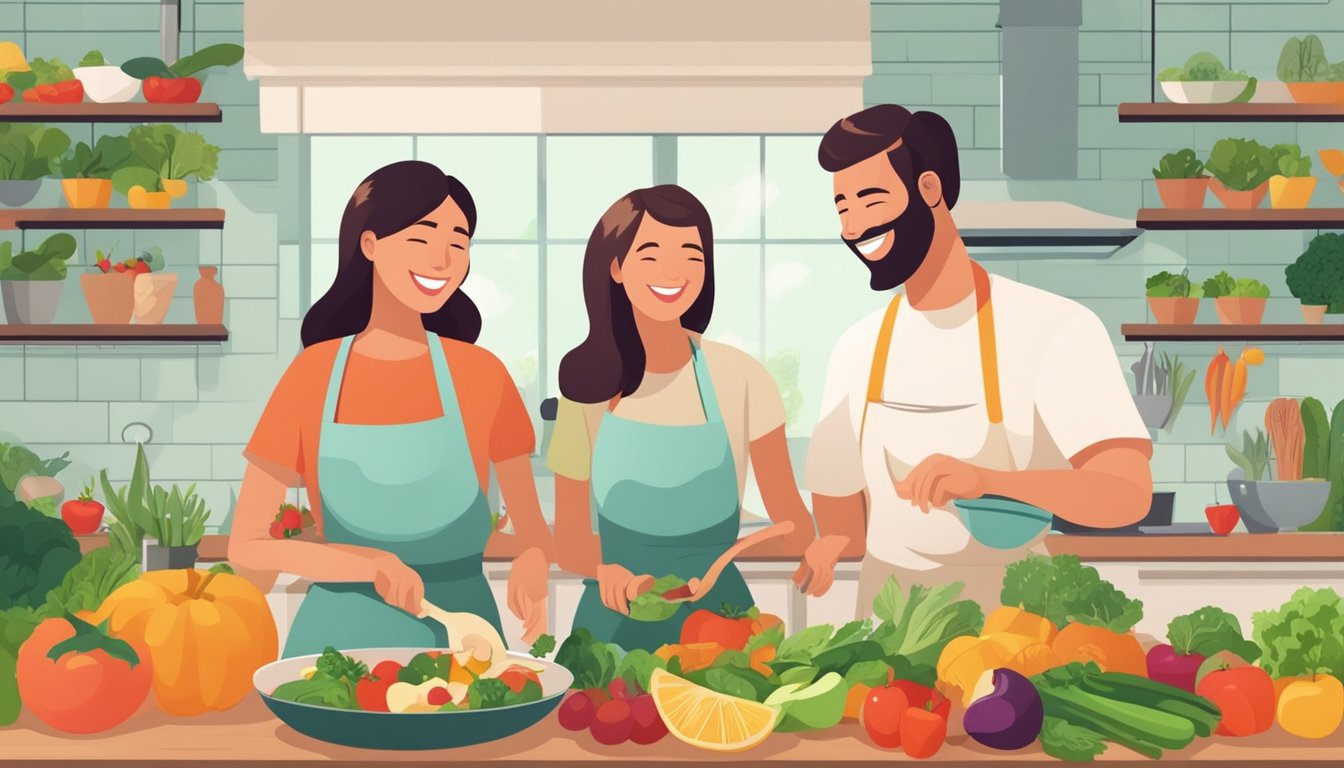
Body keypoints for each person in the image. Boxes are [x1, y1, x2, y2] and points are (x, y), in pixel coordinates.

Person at [794, 104, 1153, 615]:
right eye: (843, 208)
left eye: (871, 200)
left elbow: (1126, 493)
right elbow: (844, 523)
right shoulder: (856, 348)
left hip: (1017, 623)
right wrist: (830, 544)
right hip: (889, 627)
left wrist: (990, 481)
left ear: (930, 190)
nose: (855, 226)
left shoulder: (1055, 328)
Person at [229, 160, 553, 656]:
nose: (443, 260)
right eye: (422, 239)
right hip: (334, 653)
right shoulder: (312, 375)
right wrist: (369, 565)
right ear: (370, 244)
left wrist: (533, 562)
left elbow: (533, 533)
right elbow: (247, 548)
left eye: (459, 242)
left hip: (463, 645)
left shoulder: (483, 375)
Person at [549, 185, 824, 651]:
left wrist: (725, 560)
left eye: (691, 255)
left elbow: (794, 526)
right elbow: (570, 540)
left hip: (723, 625)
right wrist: (605, 569)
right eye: (651, 254)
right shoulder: (586, 389)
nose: (673, 272)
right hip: (613, 621)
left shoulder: (742, 378)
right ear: (616, 267)